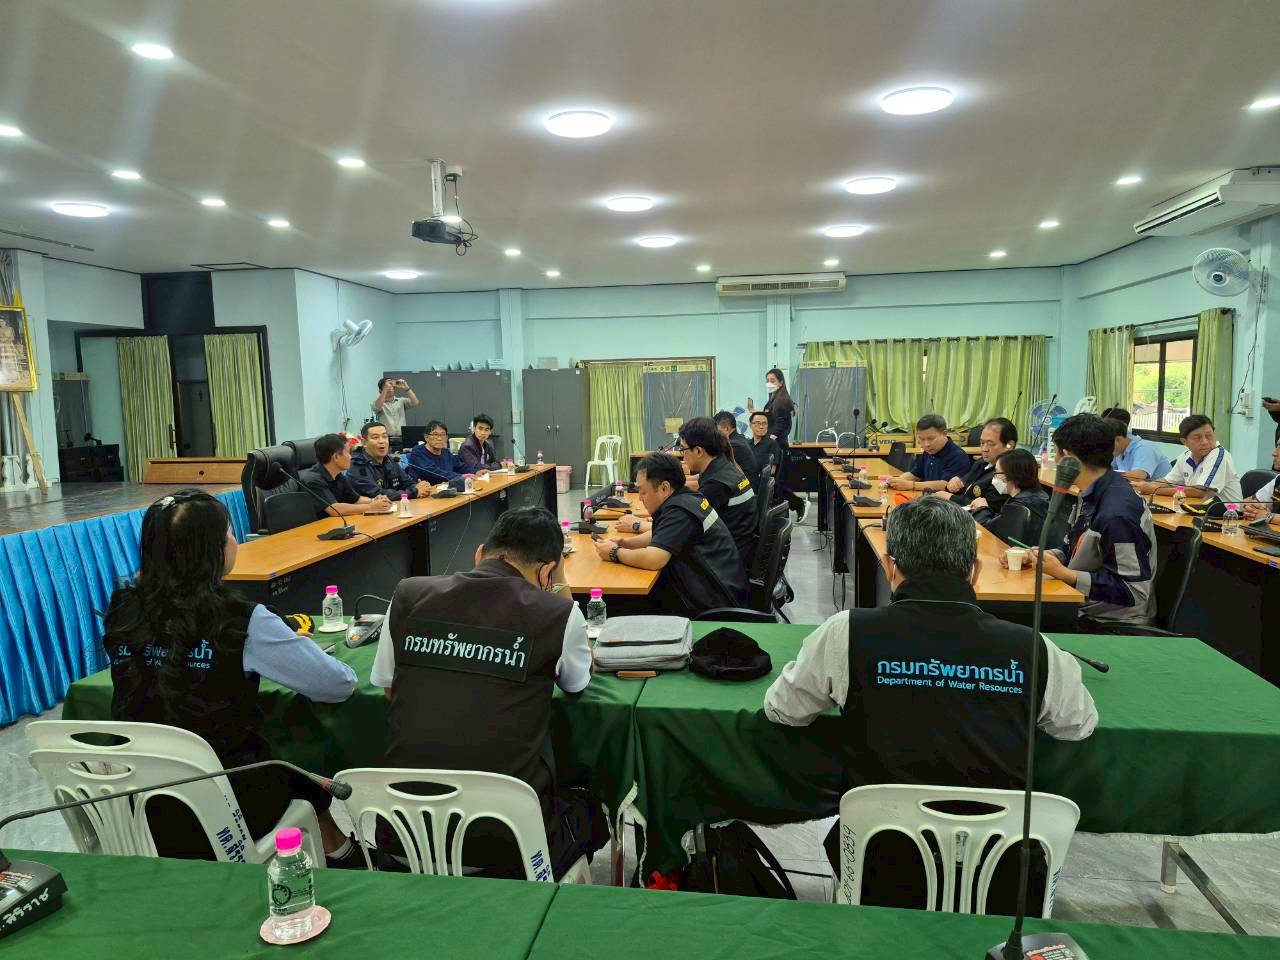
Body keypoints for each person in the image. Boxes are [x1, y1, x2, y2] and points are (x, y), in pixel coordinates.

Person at [764, 496, 1097, 912]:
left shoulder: (845, 633)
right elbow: (1078, 725)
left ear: (889, 567)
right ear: (974, 570)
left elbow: (784, 710)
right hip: (1001, 874)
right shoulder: (1034, 648)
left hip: (879, 865)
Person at [103, 490, 361, 866]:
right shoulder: (241, 620)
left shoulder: (124, 608)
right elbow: (337, 685)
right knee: (300, 776)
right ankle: (346, 859)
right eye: (228, 533)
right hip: (227, 799)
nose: (234, 541)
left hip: (139, 800)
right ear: (209, 552)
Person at [370, 507, 607, 880]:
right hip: (511, 847)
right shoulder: (557, 614)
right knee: (588, 808)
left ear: (480, 553)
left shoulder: (408, 595)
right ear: (546, 572)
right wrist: (558, 585)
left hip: (403, 838)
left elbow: (390, 690)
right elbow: (577, 682)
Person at [1016, 414, 1158, 628]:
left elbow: (1134, 592)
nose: (1055, 461)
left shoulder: (1117, 513)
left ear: (1068, 458)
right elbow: (1075, 551)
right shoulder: (1089, 491)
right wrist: (1046, 557)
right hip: (1082, 604)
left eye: (1056, 453)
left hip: (1111, 621)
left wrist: (1065, 574)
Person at [595, 453, 747, 617]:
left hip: (713, 605)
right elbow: (661, 535)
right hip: (716, 590)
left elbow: (654, 559)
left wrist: (614, 553)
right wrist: (626, 543)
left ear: (664, 488)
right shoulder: (687, 498)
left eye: (643, 492)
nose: (640, 498)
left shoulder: (679, 512)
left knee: (618, 604)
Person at [678, 417, 757, 556]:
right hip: (739, 546)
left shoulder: (716, 485)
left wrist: (639, 525)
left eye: (682, 449)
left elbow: (682, 527)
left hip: (726, 557)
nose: (682, 455)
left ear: (698, 451)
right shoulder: (723, 466)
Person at [1132, 415, 1241, 502]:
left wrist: (1153, 489)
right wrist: (1143, 486)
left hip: (1228, 516)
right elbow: (1168, 481)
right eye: (1197, 438)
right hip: (1199, 509)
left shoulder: (1218, 455)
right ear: (1184, 442)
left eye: (1209, 435)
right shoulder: (1186, 456)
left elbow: (1200, 492)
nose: (1205, 442)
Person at [747, 368, 805, 521]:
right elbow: (771, 418)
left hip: (778, 447)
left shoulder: (782, 401)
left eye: (772, 380)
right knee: (773, 483)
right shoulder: (774, 398)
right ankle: (788, 509)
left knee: (775, 483)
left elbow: (782, 425)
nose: (769, 383)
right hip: (772, 445)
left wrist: (771, 437)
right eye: (767, 380)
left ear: (781, 382)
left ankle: (797, 504)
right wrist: (755, 412)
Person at [297, 432, 389, 518]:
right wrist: (371, 507)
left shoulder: (338, 476)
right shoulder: (313, 480)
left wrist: (375, 500)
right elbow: (335, 509)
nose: (351, 457)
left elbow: (356, 499)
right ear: (336, 457)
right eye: (348, 453)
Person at [935, 417, 1017, 508]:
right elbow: (965, 487)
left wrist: (950, 497)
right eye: (982, 443)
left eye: (990, 444)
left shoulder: (1006, 475)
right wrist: (953, 485)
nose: (984, 449)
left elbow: (988, 507)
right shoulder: (981, 462)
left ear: (1009, 445)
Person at [975, 447, 1050, 544]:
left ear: (1009, 475)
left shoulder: (1018, 507)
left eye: (996, 472)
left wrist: (982, 508)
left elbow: (986, 531)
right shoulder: (1038, 497)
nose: (994, 477)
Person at [888, 414, 973, 491]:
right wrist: (896, 481)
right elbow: (915, 474)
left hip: (945, 501)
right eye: (922, 439)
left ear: (944, 434)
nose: (926, 444)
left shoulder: (958, 456)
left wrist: (911, 485)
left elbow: (945, 485)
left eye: (931, 439)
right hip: (927, 498)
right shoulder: (929, 451)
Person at [349, 422, 430, 501]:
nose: (382, 441)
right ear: (364, 442)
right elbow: (376, 494)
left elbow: (408, 482)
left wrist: (419, 487)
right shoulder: (357, 464)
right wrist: (414, 492)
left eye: (384, 437)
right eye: (375, 437)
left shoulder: (390, 460)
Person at [1100, 408, 1169, 481]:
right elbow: (1107, 469)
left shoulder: (1144, 447)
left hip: (1163, 488)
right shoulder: (1119, 451)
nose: (1106, 448)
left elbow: (1137, 477)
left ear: (1118, 439)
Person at [406, 420, 476, 487]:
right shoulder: (418, 452)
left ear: (447, 437)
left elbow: (460, 466)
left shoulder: (446, 452)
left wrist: (476, 472)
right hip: (426, 491)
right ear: (426, 437)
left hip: (448, 488)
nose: (439, 438)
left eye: (443, 435)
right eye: (435, 434)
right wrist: (459, 476)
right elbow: (433, 472)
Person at [713, 409, 759, 490]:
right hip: (746, 486)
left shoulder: (733, 445)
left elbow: (715, 469)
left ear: (726, 429)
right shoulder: (739, 438)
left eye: (715, 430)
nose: (713, 433)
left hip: (745, 489)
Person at [1241, 441, 1280, 521]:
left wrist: (1267, 516)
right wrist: (1249, 508)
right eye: (1277, 446)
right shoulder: (1278, 480)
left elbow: (1265, 516)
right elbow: (1244, 503)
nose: (1274, 453)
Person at [748, 411, 780, 479]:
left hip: (760, 481)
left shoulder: (772, 444)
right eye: (758, 423)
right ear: (750, 425)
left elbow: (772, 470)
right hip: (745, 480)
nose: (761, 426)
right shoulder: (747, 444)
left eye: (764, 423)